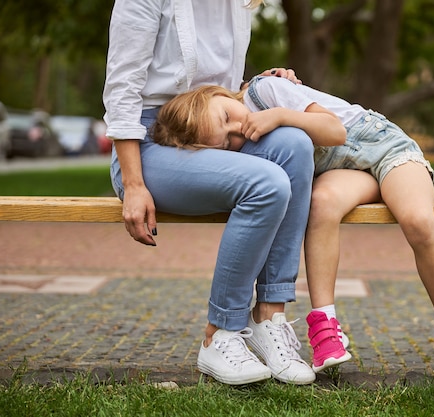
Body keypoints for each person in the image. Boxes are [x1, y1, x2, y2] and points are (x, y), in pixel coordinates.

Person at [151, 75, 434, 379]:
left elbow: (335, 131)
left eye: (226, 116)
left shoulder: (265, 91)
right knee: (321, 206)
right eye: (228, 142)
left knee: (418, 221)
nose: (238, 128)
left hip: (383, 149)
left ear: (219, 94)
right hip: (347, 171)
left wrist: (280, 115)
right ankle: (324, 327)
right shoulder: (246, 136)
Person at [102, 0, 317, 385]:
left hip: (213, 127)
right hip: (147, 142)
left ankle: (270, 317)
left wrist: (256, 87)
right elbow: (122, 92)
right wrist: (134, 185)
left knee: (294, 146)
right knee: (266, 183)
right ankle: (220, 334)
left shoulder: (238, 5)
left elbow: (218, 92)